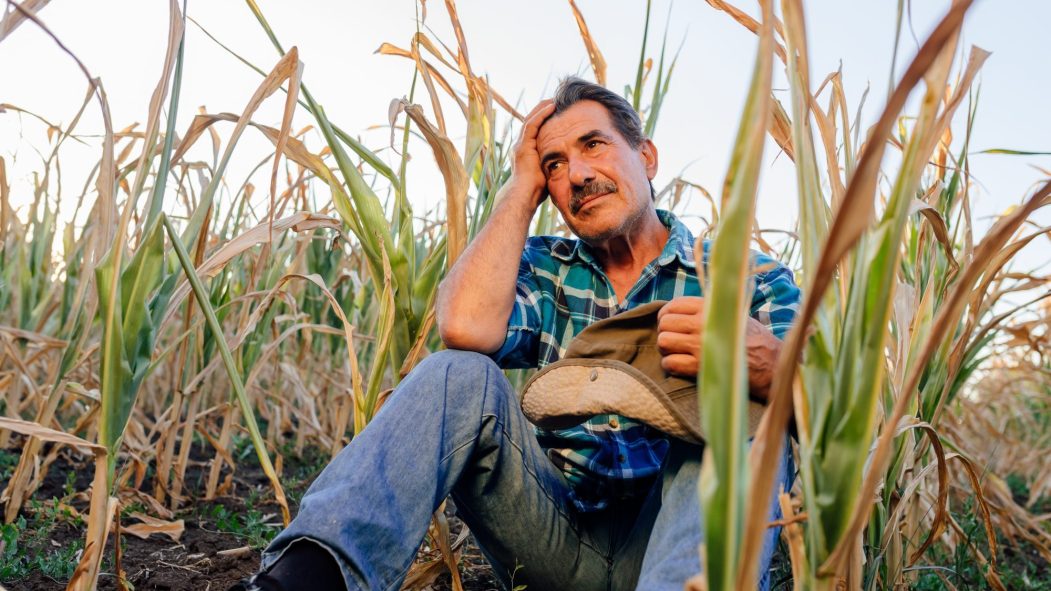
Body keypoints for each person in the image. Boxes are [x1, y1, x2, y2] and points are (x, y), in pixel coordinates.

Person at [234, 77, 800, 591]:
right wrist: (521, 187)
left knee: (745, 413)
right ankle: (299, 585)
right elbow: (464, 327)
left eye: (593, 145)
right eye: (554, 164)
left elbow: (842, 419)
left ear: (646, 157)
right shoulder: (542, 267)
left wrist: (772, 365)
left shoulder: (748, 280)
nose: (576, 174)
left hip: (676, 547)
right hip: (556, 540)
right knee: (458, 371)